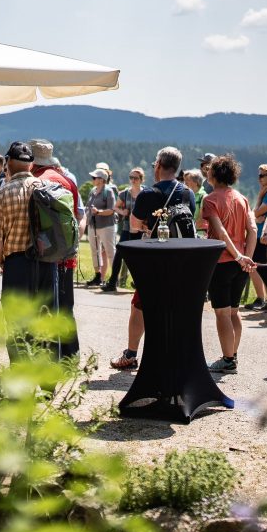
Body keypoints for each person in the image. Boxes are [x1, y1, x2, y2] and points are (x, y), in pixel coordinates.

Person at [109, 147, 196, 371]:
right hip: (183, 260)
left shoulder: (148, 194)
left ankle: (130, 354)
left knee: (139, 306)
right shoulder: (188, 193)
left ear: (158, 166)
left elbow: (135, 226)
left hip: (155, 258)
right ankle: (174, 353)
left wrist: (149, 225)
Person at [0, 141, 47, 359]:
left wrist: (1, 261)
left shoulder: (1, 194)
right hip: (47, 264)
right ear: (31, 165)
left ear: (8, 163)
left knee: (16, 323)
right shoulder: (46, 189)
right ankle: (47, 383)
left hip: (17, 264)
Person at [201, 155, 255, 374]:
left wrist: (238, 256)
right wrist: (246, 258)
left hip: (222, 262)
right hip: (240, 264)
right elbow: (252, 230)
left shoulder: (210, 200)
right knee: (234, 311)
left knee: (222, 313)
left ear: (213, 174)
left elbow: (220, 232)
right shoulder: (242, 198)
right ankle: (233, 355)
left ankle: (227, 359)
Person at [30, 139, 82, 358]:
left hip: (46, 256)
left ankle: (50, 357)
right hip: (67, 254)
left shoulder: (36, 181)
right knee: (66, 305)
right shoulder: (67, 180)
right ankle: (71, 355)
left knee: (45, 308)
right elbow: (77, 216)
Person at [104, 166, 146, 291]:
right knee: (119, 254)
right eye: (131, 177)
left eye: (136, 178)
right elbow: (115, 207)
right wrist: (123, 212)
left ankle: (140, 283)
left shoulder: (145, 194)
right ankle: (112, 282)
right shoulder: (124, 193)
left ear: (141, 179)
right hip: (127, 228)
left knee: (139, 257)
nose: (133, 180)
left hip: (141, 229)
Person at [245, 164, 267, 311]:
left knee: (257, 267)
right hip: (259, 235)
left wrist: (258, 198)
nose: (259, 178)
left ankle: (264, 299)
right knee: (256, 267)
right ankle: (263, 299)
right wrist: (255, 215)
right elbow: (254, 214)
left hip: (262, 236)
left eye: (261, 175)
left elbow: (254, 214)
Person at [85, 167, 118, 286]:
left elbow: (112, 210)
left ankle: (114, 279)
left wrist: (98, 212)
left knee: (110, 252)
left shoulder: (108, 191)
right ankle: (97, 276)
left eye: (94, 177)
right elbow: (87, 206)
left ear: (101, 180)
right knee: (95, 251)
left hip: (107, 226)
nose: (92, 179)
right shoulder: (92, 191)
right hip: (93, 225)